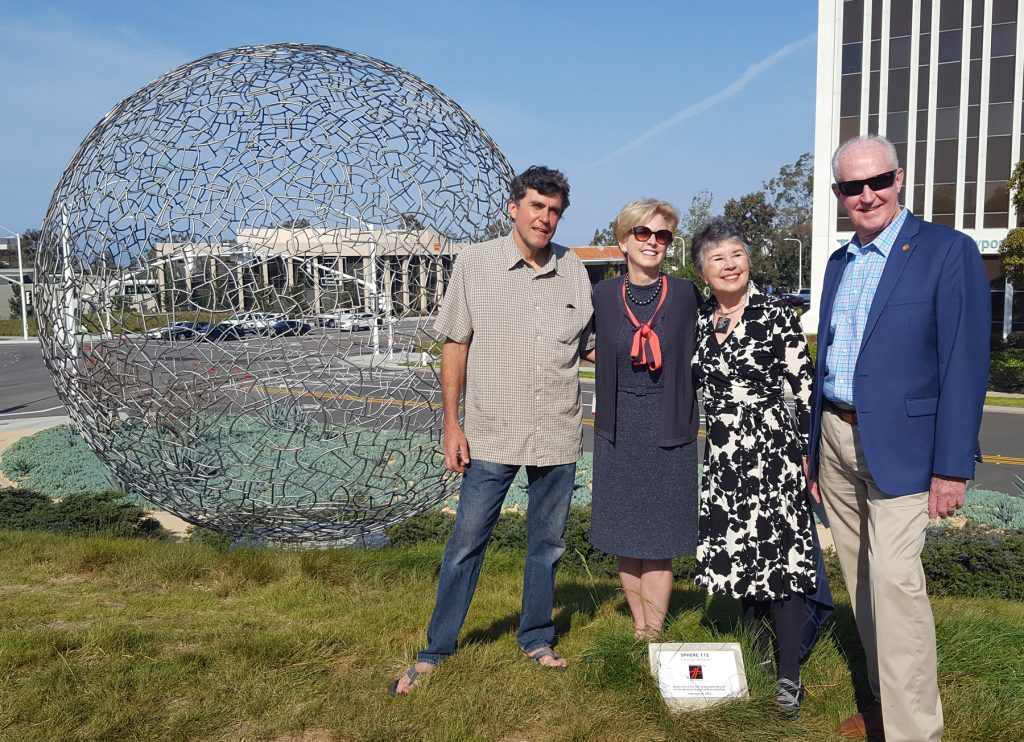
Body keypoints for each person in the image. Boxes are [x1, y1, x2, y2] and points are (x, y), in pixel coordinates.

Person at [808, 134, 990, 741]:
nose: (866, 195)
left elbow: (965, 363)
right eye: (851, 187)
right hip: (836, 437)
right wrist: (815, 449)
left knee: (896, 584)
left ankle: (917, 732)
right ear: (838, 194)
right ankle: (886, 703)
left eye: (877, 181)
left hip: (907, 450)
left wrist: (952, 466)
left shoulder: (946, 251)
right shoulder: (840, 261)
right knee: (861, 581)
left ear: (900, 177)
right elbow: (828, 360)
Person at [389, 165, 594, 695]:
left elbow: (589, 346)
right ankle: (437, 647)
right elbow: (454, 344)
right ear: (513, 208)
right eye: (536, 207)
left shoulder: (573, 269)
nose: (545, 219)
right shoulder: (475, 264)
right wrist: (451, 425)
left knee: (547, 544)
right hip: (490, 433)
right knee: (465, 542)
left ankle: (536, 637)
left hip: (556, 432)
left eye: (554, 211)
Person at [690, 217, 819, 719]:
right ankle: (756, 664)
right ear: (703, 271)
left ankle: (790, 677)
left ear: (749, 262)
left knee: (781, 564)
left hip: (772, 451)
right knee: (741, 562)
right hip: (722, 456)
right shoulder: (700, 320)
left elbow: (805, 386)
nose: (730, 264)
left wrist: (811, 451)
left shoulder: (776, 314)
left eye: (737, 255)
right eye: (718, 258)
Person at [586, 199, 700, 640]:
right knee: (626, 533)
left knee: (659, 539)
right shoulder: (603, 296)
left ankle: (655, 629)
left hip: (668, 420)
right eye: (643, 234)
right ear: (623, 240)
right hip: (619, 424)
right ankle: (638, 626)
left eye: (663, 235)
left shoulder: (686, 294)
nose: (653, 242)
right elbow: (575, 341)